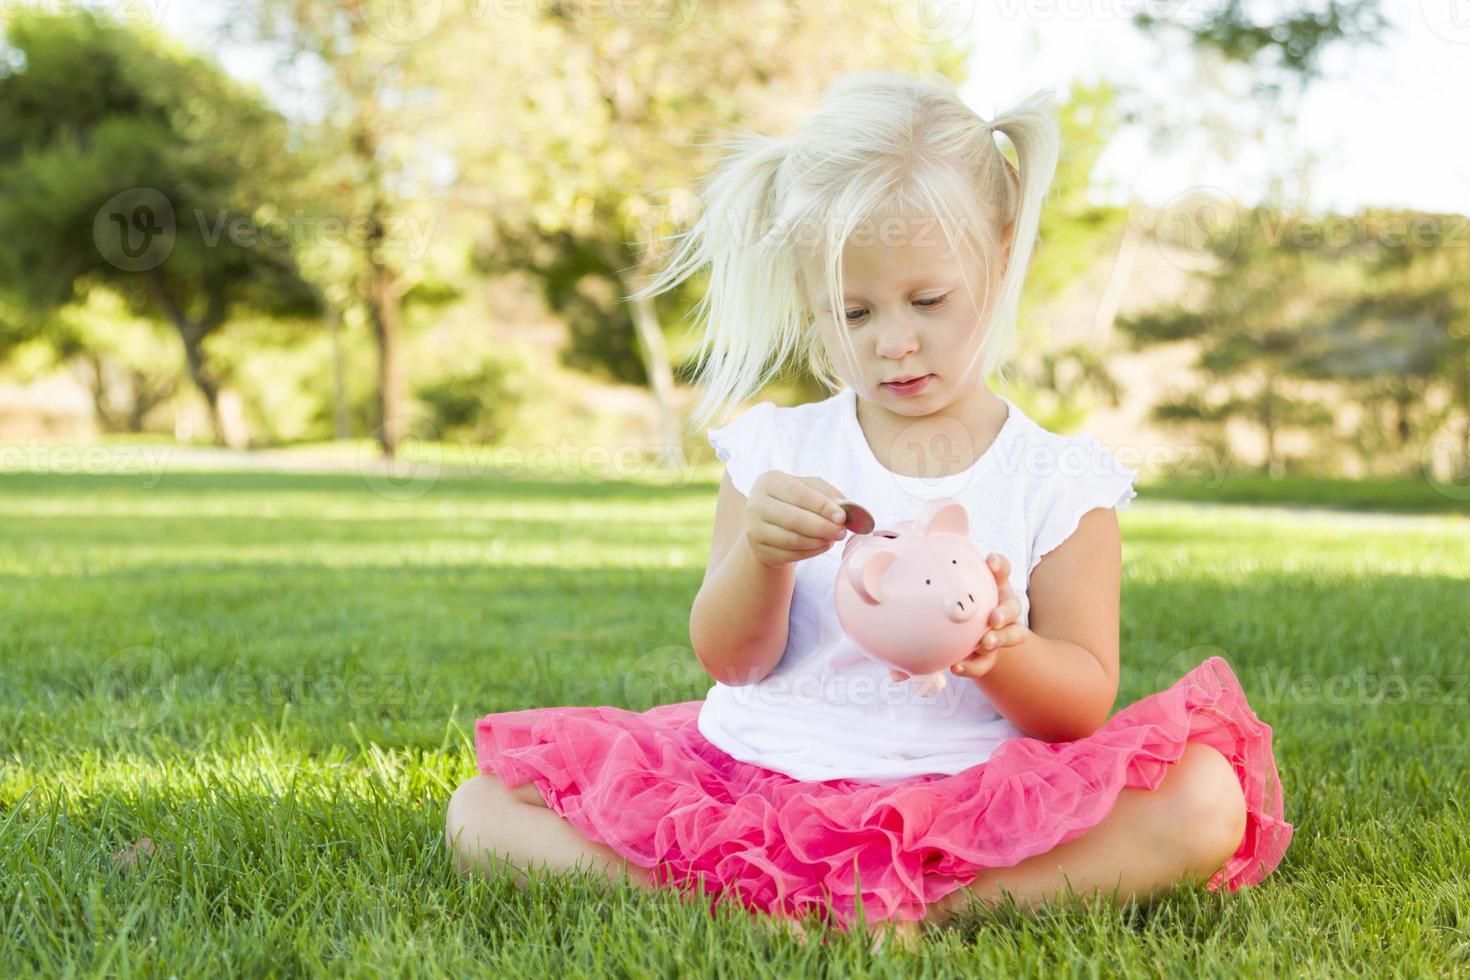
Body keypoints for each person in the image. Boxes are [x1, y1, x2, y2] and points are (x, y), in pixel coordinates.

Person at [444, 69, 1293, 949]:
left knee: (1204, 800)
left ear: (1003, 255)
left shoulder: (1059, 480)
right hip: (759, 773)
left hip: (964, 796)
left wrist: (1003, 651)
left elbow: (1079, 705)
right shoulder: (776, 454)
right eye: (852, 312)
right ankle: (791, 891)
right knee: (481, 811)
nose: (894, 341)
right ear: (813, 303)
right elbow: (730, 662)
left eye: (928, 300)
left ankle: (902, 902)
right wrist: (761, 559)